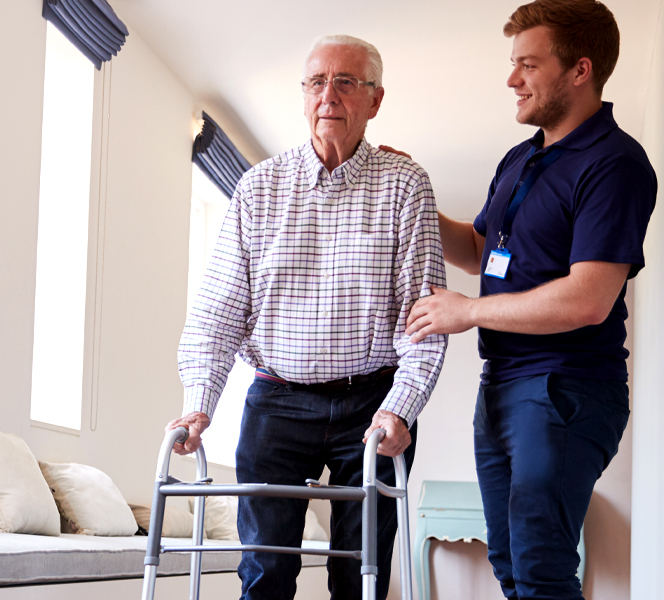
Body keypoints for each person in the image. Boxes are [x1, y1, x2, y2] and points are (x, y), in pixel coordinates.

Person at [167, 35, 448, 600]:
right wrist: (198, 403)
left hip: (372, 400)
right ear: (303, 96)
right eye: (317, 82)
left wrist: (402, 409)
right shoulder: (257, 188)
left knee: (359, 574)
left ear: (375, 99)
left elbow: (425, 319)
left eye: (347, 82)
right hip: (276, 398)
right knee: (266, 572)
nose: (329, 95)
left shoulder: (405, 186)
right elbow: (219, 310)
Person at [399, 1, 657, 598]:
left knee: (540, 567)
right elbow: (478, 246)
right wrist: (416, 193)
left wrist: (468, 311)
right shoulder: (521, 159)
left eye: (528, 65)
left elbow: (588, 299)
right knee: (512, 566)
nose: (511, 79)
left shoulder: (615, 164)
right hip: (503, 386)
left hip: (564, 388)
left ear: (580, 70)